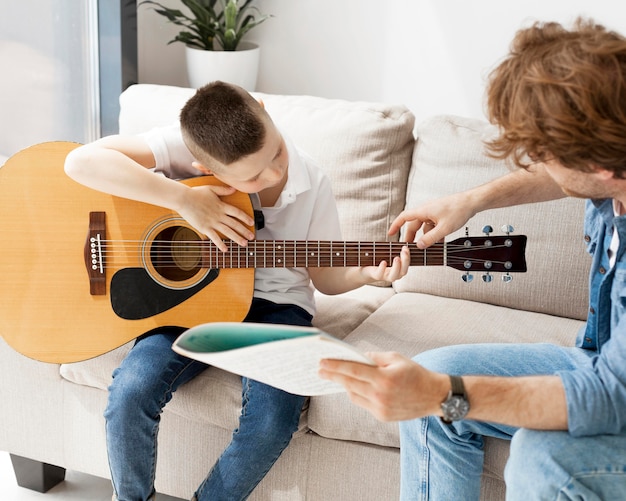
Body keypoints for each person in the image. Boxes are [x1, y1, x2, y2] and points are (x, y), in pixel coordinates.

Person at [319, 17, 626, 500]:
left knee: (541, 460)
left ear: (600, 164)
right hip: (600, 361)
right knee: (437, 370)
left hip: (617, 394)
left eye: (546, 153)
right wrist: (470, 200)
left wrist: (443, 393)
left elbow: (612, 399)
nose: (538, 163)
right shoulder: (613, 159)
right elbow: (564, 175)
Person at [64, 81, 410, 501]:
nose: (276, 172)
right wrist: (182, 200)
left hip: (278, 307)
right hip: (190, 302)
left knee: (270, 421)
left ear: (263, 110)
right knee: (131, 390)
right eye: (252, 176)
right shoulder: (183, 149)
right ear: (203, 167)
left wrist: (369, 276)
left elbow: (326, 279)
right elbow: (80, 163)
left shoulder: (311, 179)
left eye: (276, 152)